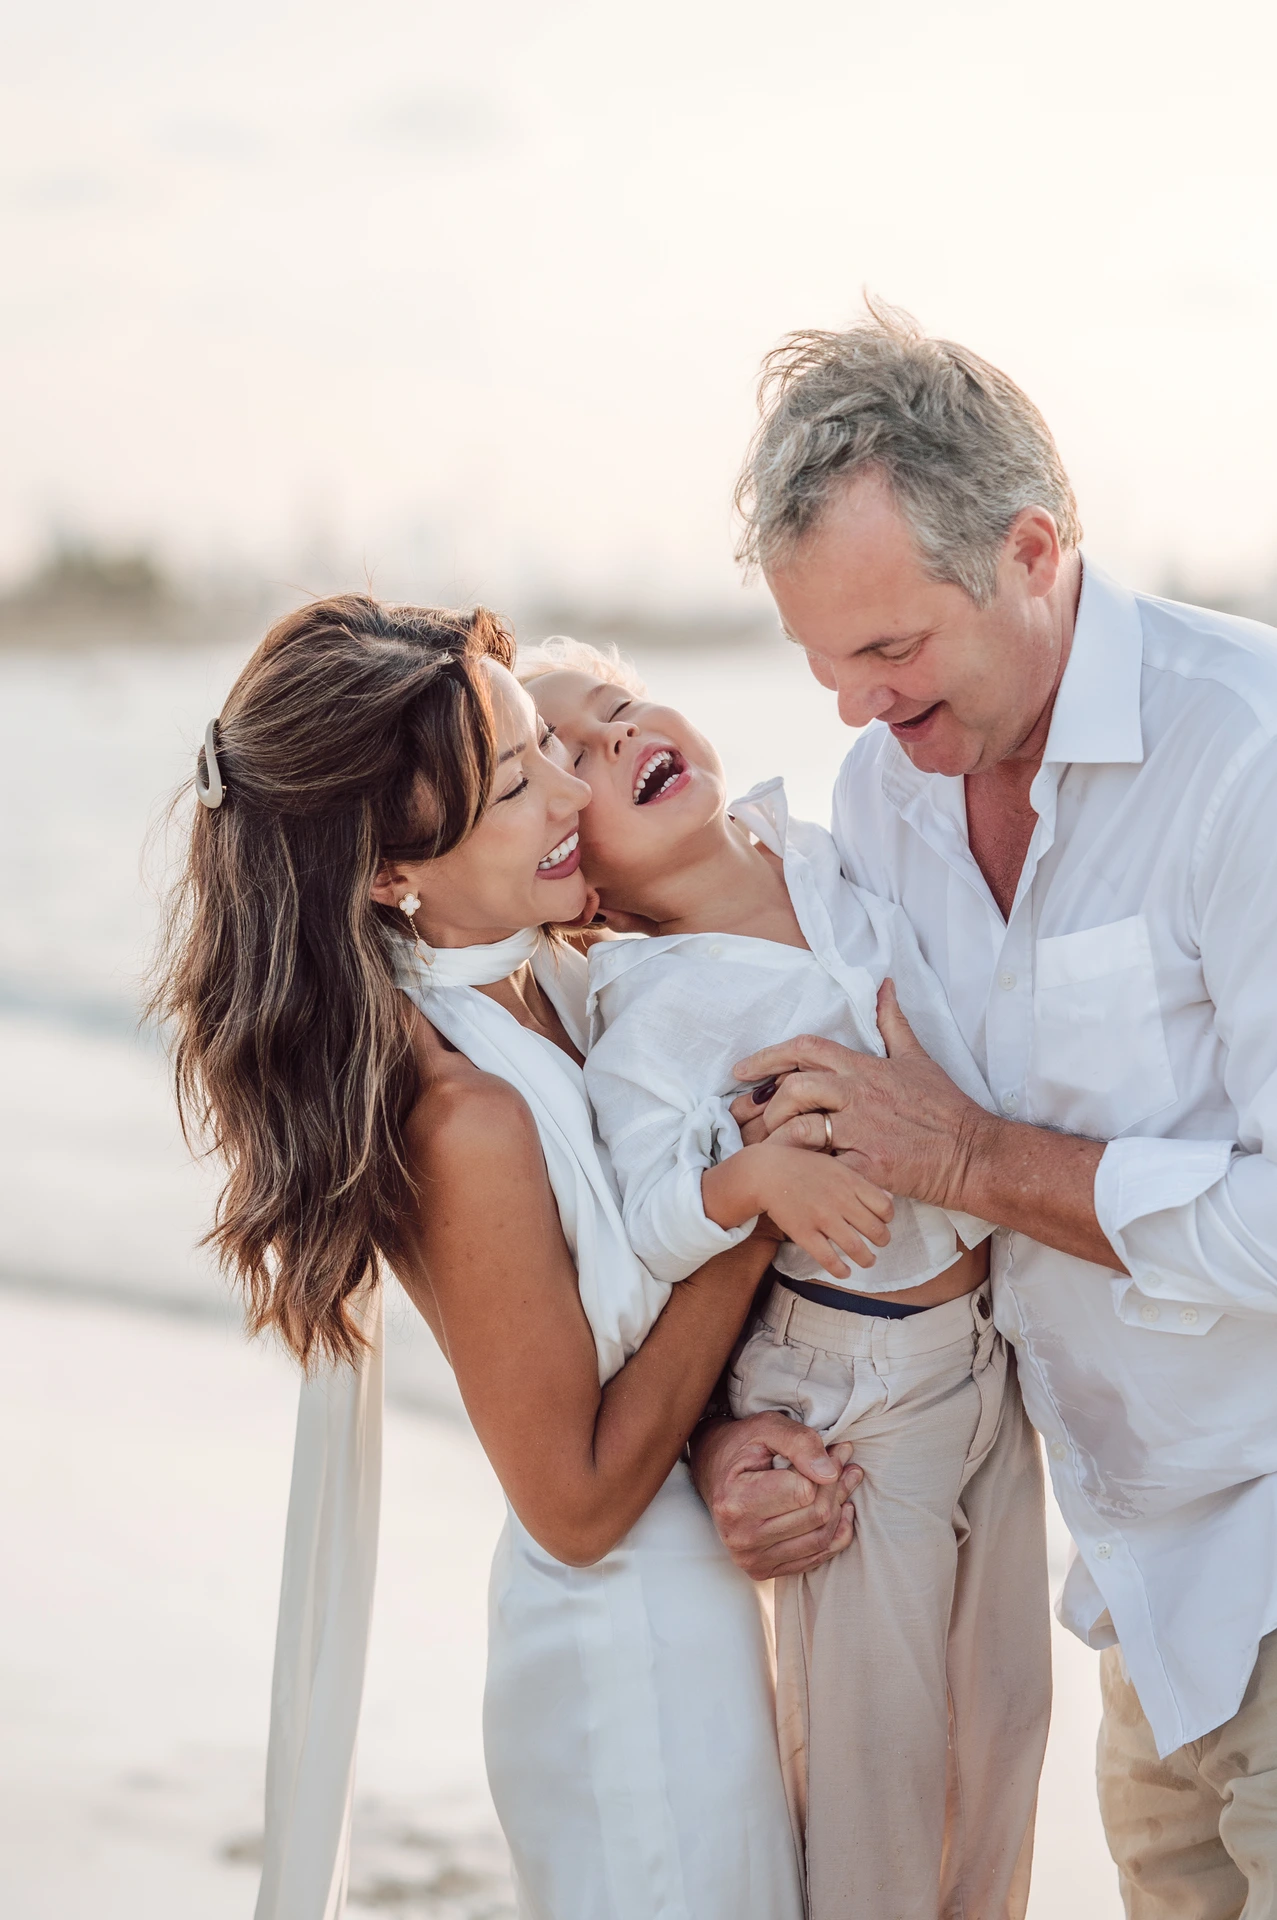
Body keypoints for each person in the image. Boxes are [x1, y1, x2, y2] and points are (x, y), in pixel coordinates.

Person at [694, 304, 1277, 1918]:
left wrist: (971, 1153)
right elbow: (859, 1183)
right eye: (824, 667)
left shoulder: (1248, 759)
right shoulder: (883, 798)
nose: (854, 713)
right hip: (1136, 1598)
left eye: (889, 651)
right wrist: (724, 1437)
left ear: (1031, 550)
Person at [152, 595, 829, 1920]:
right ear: (395, 873)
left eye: (547, 745)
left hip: (688, 1594)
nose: (575, 785)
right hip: (628, 1660)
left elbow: (607, 1321)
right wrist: (751, 1215)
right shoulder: (462, 1114)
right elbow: (571, 1505)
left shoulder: (542, 980)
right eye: (520, 781)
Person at [524, 637, 1051, 1920]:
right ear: (580, 885)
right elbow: (644, 1224)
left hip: (985, 1358)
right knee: (875, 1771)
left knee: (1005, 1729)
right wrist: (750, 1185)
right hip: (847, 1392)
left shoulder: (815, 847)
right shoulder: (649, 1020)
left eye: (620, 704)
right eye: (576, 757)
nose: (621, 735)